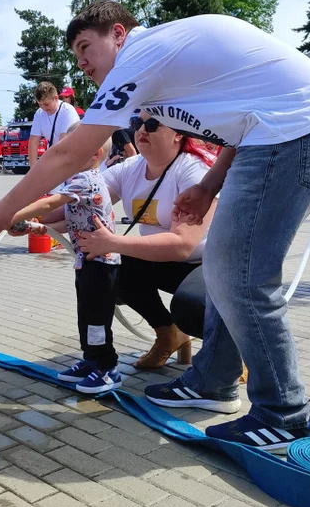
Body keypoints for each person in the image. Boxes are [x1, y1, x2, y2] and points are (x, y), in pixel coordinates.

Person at [0, 0, 310, 452]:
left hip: (300, 132)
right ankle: (213, 381)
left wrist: (6, 205)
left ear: (118, 33)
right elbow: (240, 125)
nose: (81, 63)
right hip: (274, 134)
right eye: (75, 56)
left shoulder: (141, 54)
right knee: (224, 268)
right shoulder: (164, 72)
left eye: (85, 47)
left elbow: (70, 153)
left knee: (244, 278)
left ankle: (285, 413)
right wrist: (211, 184)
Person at [75, 111, 216, 368]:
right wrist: (28, 218)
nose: (141, 130)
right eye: (136, 123)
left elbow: (183, 245)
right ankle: (168, 334)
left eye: (152, 124)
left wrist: (112, 242)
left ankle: (231, 351)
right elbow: (81, 203)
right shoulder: (130, 168)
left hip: (210, 265)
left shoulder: (194, 170)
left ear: (178, 134)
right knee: (108, 266)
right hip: (164, 260)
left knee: (191, 306)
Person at [12, 124, 121, 393]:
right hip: (87, 262)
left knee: (96, 318)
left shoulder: (86, 179)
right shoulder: (81, 179)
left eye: (71, 150)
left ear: (95, 153)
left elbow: (50, 203)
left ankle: (107, 367)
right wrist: (38, 227)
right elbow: (69, 221)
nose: (64, 156)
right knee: (85, 313)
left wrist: (12, 212)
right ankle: (90, 359)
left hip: (101, 263)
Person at [29, 82, 81, 169]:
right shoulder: (39, 113)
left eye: (46, 104)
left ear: (56, 98)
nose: (43, 108)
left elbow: (63, 142)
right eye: (40, 104)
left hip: (73, 158)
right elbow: (33, 141)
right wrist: (33, 169)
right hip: (55, 156)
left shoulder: (68, 111)